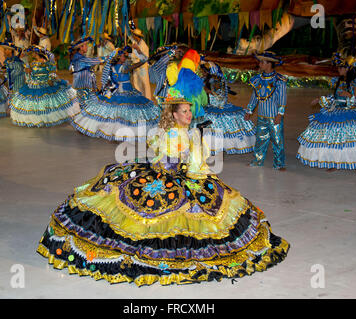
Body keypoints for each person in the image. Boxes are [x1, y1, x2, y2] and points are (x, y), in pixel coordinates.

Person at [36, 86, 290, 286]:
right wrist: (195, 147)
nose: (189, 115)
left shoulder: (178, 132)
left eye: (190, 111)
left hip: (177, 172)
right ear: (173, 114)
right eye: (184, 112)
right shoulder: (172, 134)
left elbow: (188, 159)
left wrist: (196, 142)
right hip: (171, 176)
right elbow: (180, 163)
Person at [296, 52, 356, 173]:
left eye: (341, 67)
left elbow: (355, 101)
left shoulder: (355, 83)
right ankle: (335, 162)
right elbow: (334, 98)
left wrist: (349, 95)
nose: (339, 69)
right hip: (337, 111)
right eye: (338, 67)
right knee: (335, 139)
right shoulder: (337, 81)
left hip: (353, 111)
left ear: (348, 69)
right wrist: (320, 99)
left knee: (355, 139)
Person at [71, 47, 160, 142]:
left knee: (116, 115)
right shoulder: (124, 68)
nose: (125, 57)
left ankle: (117, 133)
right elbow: (144, 60)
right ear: (118, 57)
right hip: (127, 94)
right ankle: (122, 134)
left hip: (117, 93)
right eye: (123, 55)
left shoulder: (111, 68)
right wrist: (139, 51)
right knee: (126, 116)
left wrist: (129, 55)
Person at [9, 45, 79, 127]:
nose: (32, 54)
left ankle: (47, 118)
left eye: (33, 53)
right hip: (33, 85)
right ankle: (35, 119)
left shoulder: (48, 62)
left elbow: (53, 72)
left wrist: (50, 78)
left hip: (45, 84)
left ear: (38, 53)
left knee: (47, 102)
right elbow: (29, 75)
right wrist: (28, 73)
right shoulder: (31, 63)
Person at [198, 60, 256, 155]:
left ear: (210, 72)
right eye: (202, 71)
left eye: (204, 71)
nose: (202, 73)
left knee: (214, 118)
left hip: (219, 105)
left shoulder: (218, 80)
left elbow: (219, 95)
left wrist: (206, 90)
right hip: (209, 105)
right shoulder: (204, 79)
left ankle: (219, 146)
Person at [244, 51, 287, 170]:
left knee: (277, 141)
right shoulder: (257, 79)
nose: (260, 64)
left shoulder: (279, 80)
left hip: (274, 117)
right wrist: (249, 111)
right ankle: (258, 161)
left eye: (262, 62)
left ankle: (279, 163)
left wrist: (280, 114)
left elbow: (282, 99)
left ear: (269, 64)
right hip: (261, 116)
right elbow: (254, 97)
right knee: (260, 139)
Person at [130, 28, 152, 100]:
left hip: (142, 66)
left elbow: (145, 57)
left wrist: (138, 49)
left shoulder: (144, 45)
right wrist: (129, 55)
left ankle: (148, 99)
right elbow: (134, 55)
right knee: (136, 82)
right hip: (135, 66)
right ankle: (140, 98)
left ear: (137, 36)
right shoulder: (134, 43)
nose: (133, 36)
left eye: (134, 35)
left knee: (145, 83)